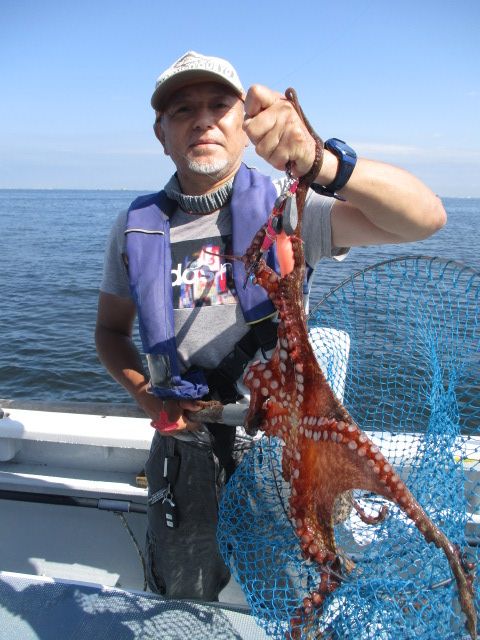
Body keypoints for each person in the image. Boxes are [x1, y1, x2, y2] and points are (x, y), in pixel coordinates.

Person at [95, 51, 446, 601]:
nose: (203, 120)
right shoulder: (135, 228)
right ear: (161, 134)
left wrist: (322, 164)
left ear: (244, 125)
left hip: (285, 448)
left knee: (296, 591)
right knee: (183, 596)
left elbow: (423, 219)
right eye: (183, 110)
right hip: (185, 444)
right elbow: (110, 332)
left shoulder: (289, 210)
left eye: (219, 106)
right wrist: (144, 394)